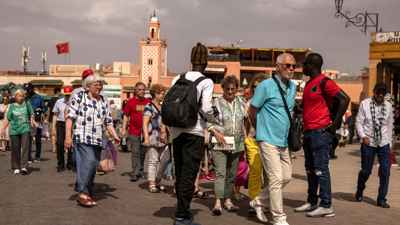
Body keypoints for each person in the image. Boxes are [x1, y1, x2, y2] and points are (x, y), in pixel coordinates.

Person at [169, 42, 220, 225]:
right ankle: (182, 216)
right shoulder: (206, 82)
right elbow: (206, 109)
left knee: (180, 173)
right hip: (195, 131)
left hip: (176, 131)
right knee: (190, 175)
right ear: (205, 62)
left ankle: (182, 210)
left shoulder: (177, 78)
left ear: (191, 60)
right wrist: (215, 119)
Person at [295, 53, 349, 217]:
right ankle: (312, 202)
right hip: (309, 132)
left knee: (321, 169)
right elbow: (306, 108)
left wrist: (334, 124)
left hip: (320, 133)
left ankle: (326, 204)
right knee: (310, 169)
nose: (302, 67)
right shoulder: (309, 83)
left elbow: (344, 99)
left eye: (304, 64)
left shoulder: (325, 81)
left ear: (312, 65)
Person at [248, 53, 297, 225]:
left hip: (283, 141)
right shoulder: (265, 86)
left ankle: (258, 200)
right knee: (276, 179)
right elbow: (252, 110)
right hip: (267, 139)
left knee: (286, 177)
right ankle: (279, 218)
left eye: (293, 66)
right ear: (277, 67)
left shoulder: (293, 87)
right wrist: (259, 130)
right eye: (287, 65)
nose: (291, 69)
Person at [65, 74, 120, 207]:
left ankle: (86, 191)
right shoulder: (79, 97)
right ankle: (82, 193)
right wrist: (67, 136)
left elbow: (108, 122)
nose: (99, 87)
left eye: (100, 84)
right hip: (82, 136)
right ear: (88, 86)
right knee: (89, 162)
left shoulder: (103, 101)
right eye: (96, 84)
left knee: (93, 164)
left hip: (97, 139)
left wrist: (115, 135)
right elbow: (70, 117)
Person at [210, 75, 246, 216]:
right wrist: (215, 132)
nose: (230, 91)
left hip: (237, 143)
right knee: (220, 173)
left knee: (232, 174)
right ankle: (218, 202)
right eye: (227, 89)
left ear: (237, 89)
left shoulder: (242, 102)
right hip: (220, 142)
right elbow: (208, 121)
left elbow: (245, 121)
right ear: (223, 89)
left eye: (233, 89)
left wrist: (247, 138)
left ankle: (228, 200)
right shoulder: (216, 103)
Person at [355, 83, 393, 208]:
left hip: (383, 143)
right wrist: (362, 136)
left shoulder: (388, 106)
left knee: (385, 171)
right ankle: (360, 190)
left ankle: (381, 199)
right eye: (378, 92)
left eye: (383, 93)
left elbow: (389, 125)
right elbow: (359, 122)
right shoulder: (365, 104)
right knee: (366, 171)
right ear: (374, 92)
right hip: (368, 142)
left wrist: (390, 144)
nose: (380, 95)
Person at [245, 74, 269, 220]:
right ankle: (253, 202)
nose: (257, 88)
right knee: (255, 172)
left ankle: (265, 202)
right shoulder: (250, 103)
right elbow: (246, 123)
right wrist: (245, 138)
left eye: (260, 86)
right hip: (253, 140)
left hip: (268, 142)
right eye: (254, 86)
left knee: (268, 174)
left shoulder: (270, 102)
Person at [142, 84, 170, 193]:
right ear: (155, 94)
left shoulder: (163, 107)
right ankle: (152, 183)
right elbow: (145, 123)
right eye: (161, 93)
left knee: (164, 160)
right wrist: (146, 138)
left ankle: (157, 180)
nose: (163, 95)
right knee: (153, 160)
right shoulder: (149, 106)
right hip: (153, 136)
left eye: (163, 93)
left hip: (163, 137)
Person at [121, 82, 151, 182]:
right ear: (135, 90)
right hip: (134, 131)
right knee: (135, 152)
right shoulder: (131, 102)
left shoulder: (148, 102)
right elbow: (126, 116)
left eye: (143, 90)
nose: (142, 91)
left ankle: (141, 170)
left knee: (142, 153)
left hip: (145, 132)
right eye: (139, 89)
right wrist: (124, 128)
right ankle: (135, 172)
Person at [1, 89, 35, 175]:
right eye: (19, 96)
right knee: (15, 149)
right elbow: (8, 118)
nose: (21, 97)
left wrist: (32, 121)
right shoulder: (11, 106)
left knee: (25, 148)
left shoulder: (27, 104)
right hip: (14, 130)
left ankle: (24, 167)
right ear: (15, 97)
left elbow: (31, 113)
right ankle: (16, 166)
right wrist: (2, 129)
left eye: (22, 96)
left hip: (25, 128)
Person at [52, 86, 74, 172]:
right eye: (66, 95)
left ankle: (70, 163)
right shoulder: (59, 102)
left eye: (69, 95)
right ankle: (60, 164)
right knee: (60, 144)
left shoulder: (75, 102)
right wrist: (53, 127)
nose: (67, 97)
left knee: (71, 145)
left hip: (72, 123)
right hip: (61, 123)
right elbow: (55, 115)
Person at [23, 83, 45, 162]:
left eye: (28, 89)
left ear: (32, 89)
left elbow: (44, 109)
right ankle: (28, 157)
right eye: (26, 90)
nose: (27, 91)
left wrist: (40, 112)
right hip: (27, 120)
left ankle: (37, 156)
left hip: (37, 120)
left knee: (38, 139)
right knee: (27, 139)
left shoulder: (39, 98)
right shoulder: (24, 98)